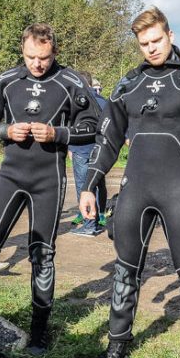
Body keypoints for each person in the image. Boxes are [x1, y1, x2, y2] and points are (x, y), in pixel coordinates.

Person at [79, 6, 180, 358]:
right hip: (135, 189)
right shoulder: (128, 84)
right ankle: (117, 345)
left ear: (170, 34)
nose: (151, 49)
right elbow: (108, 139)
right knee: (125, 269)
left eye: (157, 40)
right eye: (144, 44)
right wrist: (89, 184)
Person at [0, 23, 101, 353]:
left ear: (54, 52)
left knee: (41, 256)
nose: (37, 64)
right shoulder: (7, 80)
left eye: (43, 58)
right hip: (10, 177)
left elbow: (95, 126)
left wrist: (57, 134)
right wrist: (5, 131)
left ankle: (39, 332)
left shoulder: (71, 82)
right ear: (23, 50)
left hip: (48, 181)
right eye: (31, 57)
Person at [69, 73, 107, 237]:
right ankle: (98, 220)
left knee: (84, 187)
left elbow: (71, 126)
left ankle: (89, 224)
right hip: (101, 151)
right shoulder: (104, 101)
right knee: (99, 184)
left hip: (82, 150)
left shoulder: (76, 101)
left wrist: (70, 147)